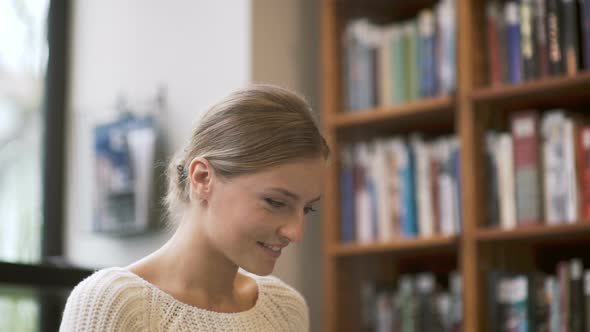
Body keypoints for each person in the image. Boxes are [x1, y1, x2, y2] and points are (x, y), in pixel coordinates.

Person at [59, 85, 330, 331]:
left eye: (307, 209)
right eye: (276, 202)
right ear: (202, 178)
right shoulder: (111, 304)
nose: (296, 232)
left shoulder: (286, 310)